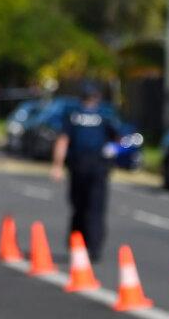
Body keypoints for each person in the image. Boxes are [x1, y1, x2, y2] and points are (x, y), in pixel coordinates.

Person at [50, 84, 119, 261]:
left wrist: (57, 165)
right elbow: (120, 140)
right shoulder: (104, 115)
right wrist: (114, 155)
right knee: (93, 208)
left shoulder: (74, 115)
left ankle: (80, 243)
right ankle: (91, 247)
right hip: (96, 166)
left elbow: (63, 141)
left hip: (82, 165)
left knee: (81, 207)